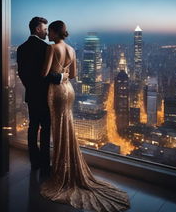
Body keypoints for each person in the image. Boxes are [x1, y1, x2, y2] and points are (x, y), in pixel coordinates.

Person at [40, 20, 130, 212]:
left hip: (56, 91)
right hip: (69, 91)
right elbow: (73, 75)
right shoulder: (72, 50)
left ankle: (60, 171)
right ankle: (68, 167)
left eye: (50, 32)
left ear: (56, 33)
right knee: (68, 125)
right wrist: (64, 75)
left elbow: (44, 73)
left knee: (58, 127)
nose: (48, 35)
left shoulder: (52, 48)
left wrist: (58, 75)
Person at [17, 17, 69, 174]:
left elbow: (22, 73)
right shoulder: (46, 48)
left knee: (33, 127)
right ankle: (45, 164)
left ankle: (34, 162)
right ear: (38, 29)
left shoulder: (21, 48)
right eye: (45, 29)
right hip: (46, 94)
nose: (47, 32)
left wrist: (30, 87)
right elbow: (45, 74)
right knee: (46, 129)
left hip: (32, 94)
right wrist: (60, 77)